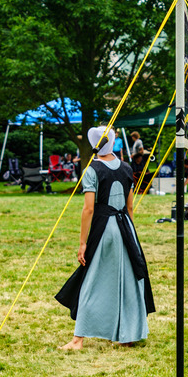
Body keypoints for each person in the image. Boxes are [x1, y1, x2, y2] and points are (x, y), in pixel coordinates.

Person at [56, 126, 155, 350]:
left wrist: (83, 243)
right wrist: (130, 235)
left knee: (91, 280)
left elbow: (88, 209)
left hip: (106, 229)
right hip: (125, 228)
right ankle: (126, 335)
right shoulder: (127, 168)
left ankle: (77, 339)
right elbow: (130, 207)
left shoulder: (92, 170)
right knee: (127, 281)